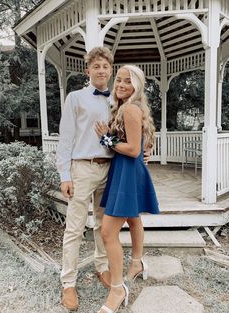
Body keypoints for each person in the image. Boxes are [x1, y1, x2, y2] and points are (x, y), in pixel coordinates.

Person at [95, 64, 159, 313]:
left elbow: (133, 149)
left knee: (108, 232)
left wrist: (106, 139)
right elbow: (140, 145)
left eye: (127, 81)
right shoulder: (127, 107)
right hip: (126, 170)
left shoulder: (130, 108)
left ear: (137, 86)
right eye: (118, 80)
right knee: (133, 219)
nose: (121, 85)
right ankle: (137, 263)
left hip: (128, 170)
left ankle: (118, 288)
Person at [56, 46, 114, 311]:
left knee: (104, 226)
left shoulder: (117, 100)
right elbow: (66, 137)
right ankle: (68, 282)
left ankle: (102, 266)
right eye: (97, 66)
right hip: (82, 168)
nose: (101, 70)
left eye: (106, 66)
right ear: (87, 70)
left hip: (110, 168)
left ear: (110, 70)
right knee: (75, 228)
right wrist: (64, 175)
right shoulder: (75, 98)